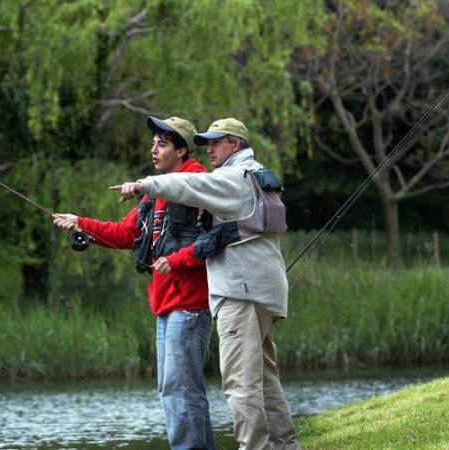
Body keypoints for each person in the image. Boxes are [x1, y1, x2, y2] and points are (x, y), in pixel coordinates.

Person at [113, 118, 300, 450]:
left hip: (240, 295)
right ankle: (284, 446)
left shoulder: (232, 178)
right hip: (266, 293)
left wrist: (145, 185)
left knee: (241, 385)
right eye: (207, 142)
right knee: (266, 381)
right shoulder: (258, 175)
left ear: (237, 144)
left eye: (217, 141)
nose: (210, 148)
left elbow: (189, 187)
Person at [53, 116, 216, 450]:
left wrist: (143, 185)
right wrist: (80, 222)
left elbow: (206, 234)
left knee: (179, 388)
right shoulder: (154, 195)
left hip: (190, 303)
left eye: (162, 143)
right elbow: (127, 234)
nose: (153, 149)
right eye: (154, 142)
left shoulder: (197, 180)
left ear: (182, 150)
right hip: (165, 304)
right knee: (174, 387)